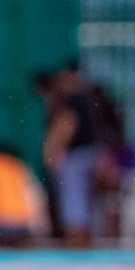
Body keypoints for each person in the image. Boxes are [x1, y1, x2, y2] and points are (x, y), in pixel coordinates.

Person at [42, 66, 103, 247]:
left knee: (73, 199)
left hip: (76, 155)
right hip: (90, 152)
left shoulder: (71, 100)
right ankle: (85, 239)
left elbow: (67, 125)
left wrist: (54, 150)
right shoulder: (89, 98)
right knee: (86, 199)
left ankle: (76, 240)